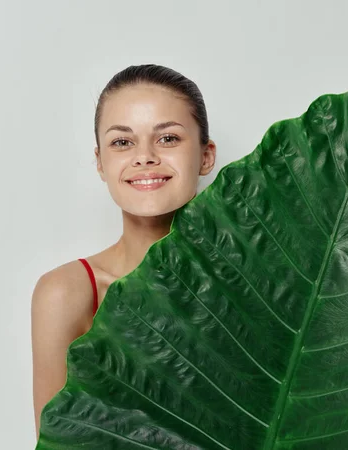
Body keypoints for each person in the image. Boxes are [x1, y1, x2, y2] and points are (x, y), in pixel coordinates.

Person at [30, 64, 217, 438]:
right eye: (122, 142)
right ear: (100, 162)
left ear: (206, 156)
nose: (144, 157)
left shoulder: (262, 283)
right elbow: (59, 442)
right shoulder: (67, 292)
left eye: (167, 139)